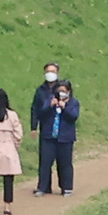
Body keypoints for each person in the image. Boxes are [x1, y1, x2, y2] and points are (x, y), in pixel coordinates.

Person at [28, 65, 64, 193]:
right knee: (45, 160)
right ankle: (43, 186)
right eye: (48, 71)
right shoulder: (40, 90)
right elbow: (35, 109)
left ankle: (64, 187)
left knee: (62, 161)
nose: (50, 74)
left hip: (61, 129)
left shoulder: (62, 88)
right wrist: (34, 126)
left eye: (53, 71)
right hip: (46, 128)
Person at [43, 72, 81, 194]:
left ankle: (67, 187)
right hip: (49, 137)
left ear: (69, 91)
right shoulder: (50, 99)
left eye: (64, 90)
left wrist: (65, 107)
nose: (61, 93)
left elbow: (73, 116)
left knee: (65, 164)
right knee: (45, 163)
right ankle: (43, 187)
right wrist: (50, 105)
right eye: (59, 90)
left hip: (65, 138)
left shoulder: (74, 103)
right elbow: (42, 112)